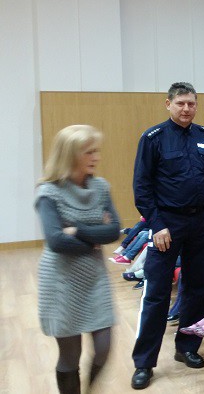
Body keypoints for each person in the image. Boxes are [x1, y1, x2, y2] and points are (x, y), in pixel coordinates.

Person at [130, 82, 204, 389]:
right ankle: (144, 362)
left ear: (196, 106)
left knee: (197, 289)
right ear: (168, 104)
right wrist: (157, 225)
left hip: (201, 224)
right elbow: (142, 187)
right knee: (157, 294)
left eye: (191, 104)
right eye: (181, 103)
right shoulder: (153, 138)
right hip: (167, 225)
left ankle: (187, 348)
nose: (186, 109)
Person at [36, 125, 121, 393]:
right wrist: (94, 241)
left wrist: (78, 230)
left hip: (94, 278)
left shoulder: (101, 187)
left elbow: (113, 231)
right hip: (61, 280)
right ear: (70, 154)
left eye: (96, 150)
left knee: (104, 349)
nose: (96, 156)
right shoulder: (48, 192)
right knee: (70, 356)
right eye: (89, 151)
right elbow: (56, 241)